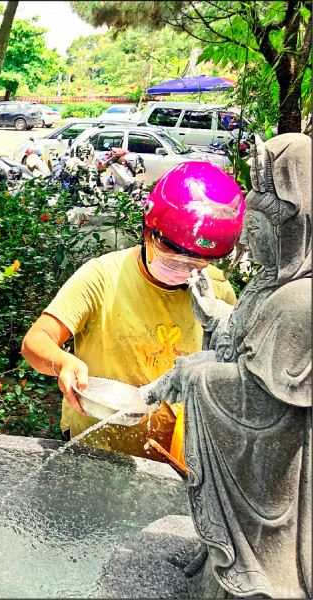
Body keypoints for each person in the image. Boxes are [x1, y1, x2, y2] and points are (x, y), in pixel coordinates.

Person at [143, 134, 311, 598]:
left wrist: (192, 375)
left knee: (256, 567)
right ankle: (218, 556)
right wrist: (215, 314)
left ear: (292, 231)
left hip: (272, 480)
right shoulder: (267, 283)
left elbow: (261, 401)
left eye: (256, 231)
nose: (246, 245)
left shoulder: (299, 300)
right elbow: (247, 347)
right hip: (252, 470)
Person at [21, 162, 242, 461]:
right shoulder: (102, 276)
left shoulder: (216, 292)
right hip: (95, 448)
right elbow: (36, 340)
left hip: (174, 452)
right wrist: (61, 361)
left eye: (197, 265)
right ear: (148, 231)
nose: (183, 272)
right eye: (172, 258)